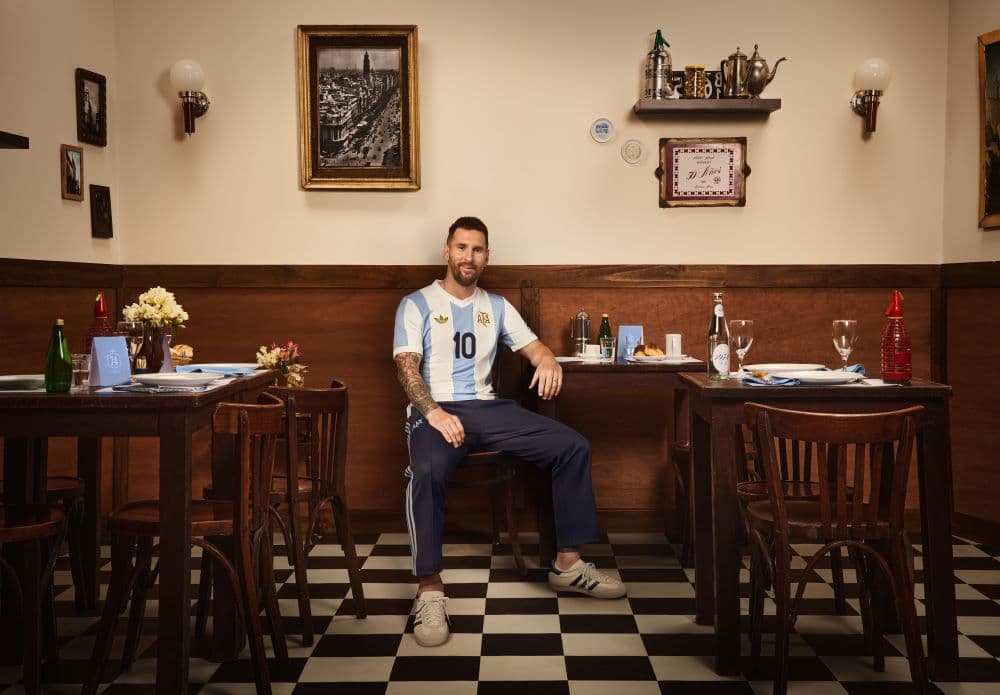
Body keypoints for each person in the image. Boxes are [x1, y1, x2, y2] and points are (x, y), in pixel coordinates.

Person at [392, 216, 626, 648]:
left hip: (487, 408)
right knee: (425, 471)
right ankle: (429, 588)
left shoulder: (495, 306)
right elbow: (406, 368)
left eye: (477, 250)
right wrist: (433, 412)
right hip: (437, 408)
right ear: (447, 251)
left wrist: (549, 360)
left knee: (571, 446)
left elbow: (533, 347)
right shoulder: (416, 303)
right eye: (461, 247)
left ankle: (568, 565)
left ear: (486, 257)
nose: (469, 257)